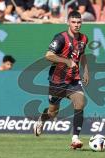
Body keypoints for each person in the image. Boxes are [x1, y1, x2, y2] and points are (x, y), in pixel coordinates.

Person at [34, 11, 89, 150]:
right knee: (53, 113)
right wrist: (67, 61)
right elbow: (48, 55)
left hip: (74, 79)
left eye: (79, 22)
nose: (77, 25)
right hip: (57, 81)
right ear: (68, 23)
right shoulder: (60, 38)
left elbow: (82, 55)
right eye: (74, 22)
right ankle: (42, 119)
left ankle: (75, 138)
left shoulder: (84, 38)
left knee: (80, 102)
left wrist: (86, 70)